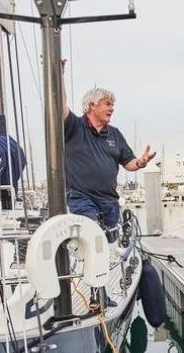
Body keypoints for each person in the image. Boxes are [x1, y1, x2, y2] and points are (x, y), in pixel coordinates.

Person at [62, 65, 155, 243]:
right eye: (107, 104)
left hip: (109, 202)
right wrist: (58, 74)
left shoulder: (114, 134)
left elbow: (128, 162)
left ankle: (107, 270)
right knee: (92, 235)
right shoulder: (74, 127)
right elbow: (60, 105)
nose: (112, 108)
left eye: (113, 105)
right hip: (82, 198)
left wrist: (141, 162)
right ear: (91, 105)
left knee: (110, 246)